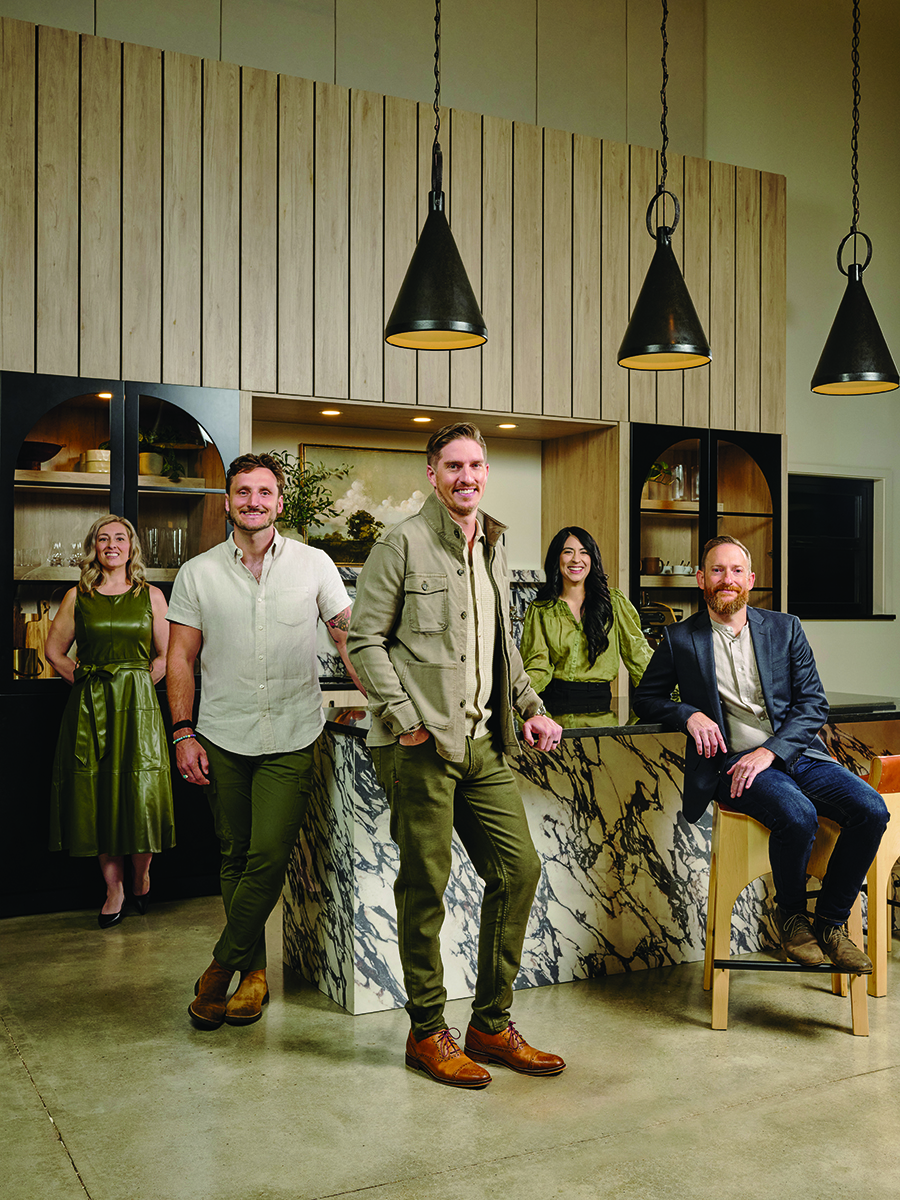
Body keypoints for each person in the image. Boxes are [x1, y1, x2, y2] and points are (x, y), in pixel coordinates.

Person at [347, 422, 566, 1088]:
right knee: (426, 886)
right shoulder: (402, 543)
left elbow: (499, 646)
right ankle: (427, 1031)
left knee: (518, 870)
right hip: (422, 747)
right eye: (453, 466)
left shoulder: (493, 545)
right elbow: (363, 641)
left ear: (485, 472)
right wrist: (406, 720)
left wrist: (530, 707)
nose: (466, 476)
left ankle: (491, 1025)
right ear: (432, 474)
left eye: (475, 465)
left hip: (483, 744)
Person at [166, 453, 366, 1031]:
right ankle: (253, 974)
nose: (253, 501)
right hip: (222, 734)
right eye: (243, 491)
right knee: (234, 854)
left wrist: (385, 701)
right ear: (228, 501)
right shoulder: (197, 573)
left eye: (264, 492)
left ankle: (218, 969)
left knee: (269, 856)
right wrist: (182, 731)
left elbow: (349, 639)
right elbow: (180, 657)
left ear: (279, 502)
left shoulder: (314, 564)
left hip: (291, 733)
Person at [633, 534, 889, 972]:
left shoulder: (785, 628)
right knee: (798, 814)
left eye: (736, 571)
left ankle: (830, 923)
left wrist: (772, 751)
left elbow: (813, 704)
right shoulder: (679, 639)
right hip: (733, 764)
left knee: (871, 809)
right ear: (701, 579)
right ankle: (791, 918)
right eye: (717, 570)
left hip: (797, 754)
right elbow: (646, 699)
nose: (727, 579)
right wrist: (688, 714)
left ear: (750, 579)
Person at [46, 515, 174, 929]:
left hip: (137, 706)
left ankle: (141, 875)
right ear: (94, 547)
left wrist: (139, 682)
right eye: (104, 539)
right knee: (98, 792)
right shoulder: (77, 597)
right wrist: (85, 681)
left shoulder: (151, 595)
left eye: (120, 538)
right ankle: (113, 889)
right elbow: (54, 652)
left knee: (140, 789)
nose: (112, 545)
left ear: (132, 547)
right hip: (91, 707)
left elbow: (167, 655)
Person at [521, 526, 653, 713]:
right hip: (552, 706)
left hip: (601, 707)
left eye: (584, 552)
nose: (576, 559)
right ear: (556, 558)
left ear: (593, 559)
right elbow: (537, 666)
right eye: (568, 552)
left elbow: (638, 654)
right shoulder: (541, 609)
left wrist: (668, 697)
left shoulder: (614, 602)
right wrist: (519, 699)